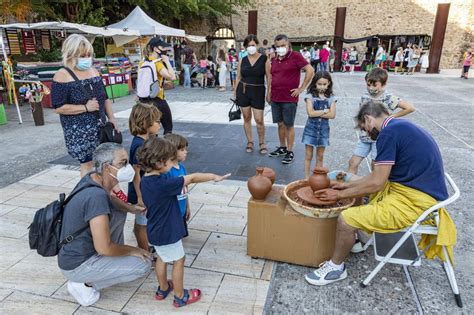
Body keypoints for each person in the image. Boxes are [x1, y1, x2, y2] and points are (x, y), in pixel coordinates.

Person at [305, 100, 457, 286]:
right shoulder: (399, 126)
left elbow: (377, 183)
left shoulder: (388, 134)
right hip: (419, 190)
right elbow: (377, 177)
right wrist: (346, 187)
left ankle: (336, 268)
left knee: (346, 219)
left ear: (368, 120)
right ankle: (355, 240)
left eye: (364, 129)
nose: (367, 133)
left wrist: (337, 195)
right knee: (353, 188)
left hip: (416, 201)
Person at [138, 137, 230, 307]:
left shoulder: (145, 179)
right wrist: (213, 176)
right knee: (179, 259)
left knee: (162, 258)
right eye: (170, 161)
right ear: (159, 162)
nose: (173, 164)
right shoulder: (165, 183)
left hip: (154, 229)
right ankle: (180, 296)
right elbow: (192, 178)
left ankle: (163, 288)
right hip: (168, 231)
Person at [59, 143, 152, 306]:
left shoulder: (93, 178)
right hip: (77, 264)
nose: (128, 167)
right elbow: (104, 248)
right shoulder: (96, 197)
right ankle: (83, 283)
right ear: (107, 167)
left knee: (118, 210)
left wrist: (131, 208)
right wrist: (134, 250)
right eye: (122, 163)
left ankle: (99, 267)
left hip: (77, 250)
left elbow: (111, 200)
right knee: (142, 264)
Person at [52, 34, 119, 177]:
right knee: (88, 165)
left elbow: (105, 98)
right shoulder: (62, 75)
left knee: (106, 163)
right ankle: (88, 194)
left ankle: (106, 192)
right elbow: (58, 107)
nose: (86, 58)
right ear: (71, 54)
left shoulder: (94, 71)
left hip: (100, 127)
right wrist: (85, 108)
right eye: (82, 55)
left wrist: (112, 118)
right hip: (79, 132)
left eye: (88, 54)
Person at [347, 68, 415, 175]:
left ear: (383, 84)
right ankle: (349, 187)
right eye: (368, 85)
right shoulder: (365, 96)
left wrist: (392, 117)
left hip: (380, 138)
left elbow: (409, 108)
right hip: (365, 137)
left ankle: (375, 189)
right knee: (353, 162)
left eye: (375, 85)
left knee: (375, 166)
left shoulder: (388, 97)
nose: (371, 88)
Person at [267, 34, 314, 164]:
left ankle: (289, 150)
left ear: (288, 45)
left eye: (283, 45)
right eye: (278, 46)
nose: (280, 48)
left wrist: (301, 88)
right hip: (276, 96)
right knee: (280, 124)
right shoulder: (275, 59)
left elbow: (310, 70)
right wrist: (269, 92)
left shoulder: (296, 56)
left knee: (289, 125)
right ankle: (282, 147)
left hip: (289, 98)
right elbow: (271, 77)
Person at [128, 102, 162, 250]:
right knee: (141, 224)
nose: (159, 124)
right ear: (145, 122)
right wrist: (140, 197)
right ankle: (144, 251)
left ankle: (146, 245)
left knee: (145, 220)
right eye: (157, 121)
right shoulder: (139, 145)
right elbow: (136, 174)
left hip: (147, 190)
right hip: (141, 191)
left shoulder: (146, 141)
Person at [234, 34, 270, 154]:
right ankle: (250, 141)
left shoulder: (264, 59)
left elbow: (269, 78)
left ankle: (262, 142)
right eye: (249, 45)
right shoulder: (242, 60)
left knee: (259, 119)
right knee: (246, 117)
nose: (251, 47)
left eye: (253, 45)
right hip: (243, 91)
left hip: (258, 91)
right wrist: (235, 93)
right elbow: (238, 77)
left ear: (257, 45)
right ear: (245, 47)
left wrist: (269, 92)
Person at [138, 37, 176, 135]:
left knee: (150, 128)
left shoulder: (142, 62)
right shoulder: (157, 63)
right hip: (158, 99)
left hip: (144, 100)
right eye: (162, 47)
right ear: (155, 48)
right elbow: (172, 77)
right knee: (168, 127)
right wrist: (167, 61)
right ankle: (168, 147)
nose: (165, 49)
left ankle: (151, 148)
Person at [302, 71, 337, 178]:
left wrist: (318, 112)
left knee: (320, 156)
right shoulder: (310, 96)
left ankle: (317, 178)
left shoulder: (331, 97)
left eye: (324, 84)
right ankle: (306, 178)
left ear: (329, 84)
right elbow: (310, 113)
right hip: (310, 130)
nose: (322, 86)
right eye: (319, 84)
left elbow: (332, 115)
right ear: (315, 84)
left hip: (323, 131)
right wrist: (325, 111)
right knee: (308, 156)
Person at [164, 134, 190, 237]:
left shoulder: (182, 168)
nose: (186, 152)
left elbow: (185, 188)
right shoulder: (167, 171)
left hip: (182, 210)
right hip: (172, 213)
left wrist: (187, 207)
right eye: (182, 150)